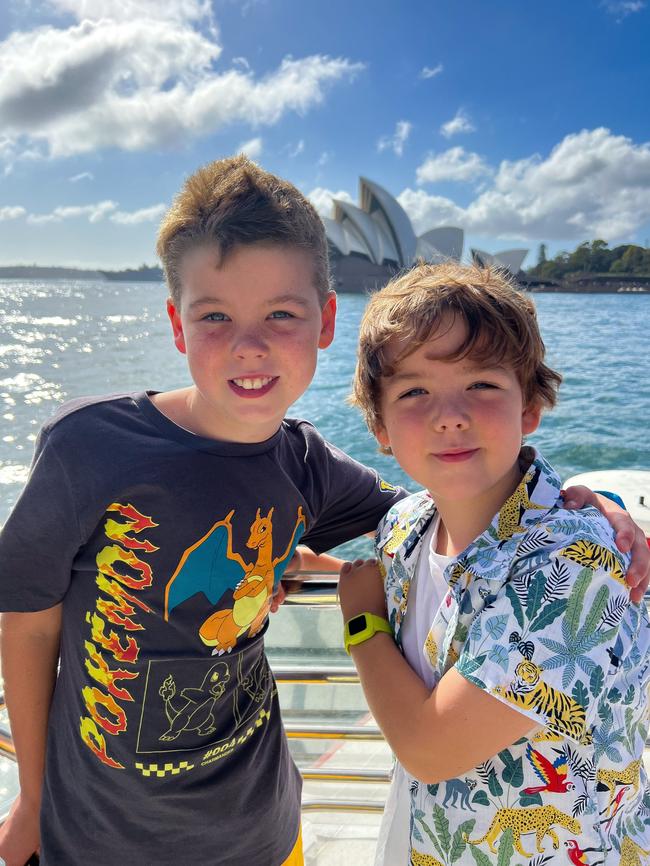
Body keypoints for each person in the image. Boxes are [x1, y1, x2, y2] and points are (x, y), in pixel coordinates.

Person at [0, 159, 646, 866]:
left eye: (282, 313)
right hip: (99, 834)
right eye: (215, 315)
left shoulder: (306, 465)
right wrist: (33, 796)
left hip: (261, 820)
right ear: (177, 326)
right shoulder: (90, 447)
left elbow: (450, 507)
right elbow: (28, 622)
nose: (250, 345)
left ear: (325, 321)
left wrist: (601, 506)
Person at [339, 261, 650, 865]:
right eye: (413, 391)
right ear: (379, 425)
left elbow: (430, 749)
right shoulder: (404, 526)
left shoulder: (577, 568)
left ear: (529, 407)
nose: (448, 414)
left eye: (480, 384)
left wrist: (361, 625)